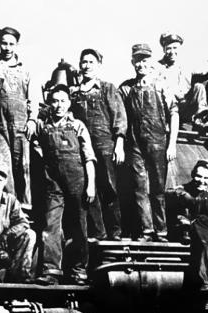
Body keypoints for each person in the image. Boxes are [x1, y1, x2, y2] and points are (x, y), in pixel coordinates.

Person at [33, 84, 96, 286]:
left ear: (69, 103)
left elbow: (89, 158)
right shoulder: (44, 127)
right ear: (49, 103)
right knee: (50, 224)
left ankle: (79, 269)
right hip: (53, 182)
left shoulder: (77, 126)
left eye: (62, 101)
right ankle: (51, 270)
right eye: (54, 101)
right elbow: (35, 145)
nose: (58, 105)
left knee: (78, 224)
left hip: (77, 180)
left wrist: (91, 185)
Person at [120, 43, 179, 241]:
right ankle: (147, 230)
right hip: (135, 144)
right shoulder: (126, 88)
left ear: (151, 62)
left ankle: (161, 231)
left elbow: (174, 114)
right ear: (132, 62)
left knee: (158, 189)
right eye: (137, 60)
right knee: (139, 188)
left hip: (158, 143)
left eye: (145, 60)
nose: (141, 64)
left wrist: (172, 145)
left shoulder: (161, 85)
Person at [70, 48, 127, 241]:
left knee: (109, 188)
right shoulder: (74, 93)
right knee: (89, 187)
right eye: (83, 62)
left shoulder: (108, 88)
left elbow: (119, 117)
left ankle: (116, 232)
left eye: (91, 62)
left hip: (105, 145)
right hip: (83, 147)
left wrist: (119, 143)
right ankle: (98, 232)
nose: (86, 66)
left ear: (99, 66)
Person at [0, 26, 38, 209]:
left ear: (17, 45)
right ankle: (9, 205)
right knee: (2, 163)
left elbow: (34, 97)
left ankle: (25, 207)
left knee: (23, 164)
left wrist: (32, 119)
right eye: (3, 43)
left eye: (11, 44)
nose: (7, 48)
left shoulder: (26, 69)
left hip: (21, 121)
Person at [171, 160, 208, 311]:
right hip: (191, 229)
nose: (201, 181)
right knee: (203, 240)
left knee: (206, 242)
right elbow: (176, 213)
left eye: (206, 178)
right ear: (192, 175)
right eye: (198, 176)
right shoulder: (184, 190)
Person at [157, 32, 208, 129]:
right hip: (167, 108)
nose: (172, 52)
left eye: (175, 48)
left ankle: (200, 118)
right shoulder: (158, 68)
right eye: (169, 48)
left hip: (184, 107)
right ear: (164, 49)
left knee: (199, 87)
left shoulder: (187, 65)